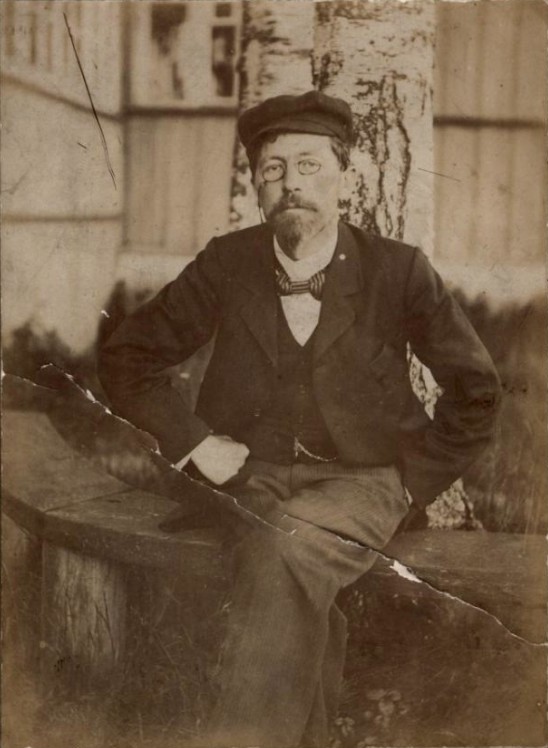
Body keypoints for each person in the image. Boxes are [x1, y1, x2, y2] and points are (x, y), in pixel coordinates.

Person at [98, 90, 501, 748]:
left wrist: (411, 482)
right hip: (247, 475)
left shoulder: (397, 270)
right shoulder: (228, 262)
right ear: (257, 187)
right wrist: (196, 443)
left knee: (284, 548)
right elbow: (126, 357)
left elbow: (478, 390)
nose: (292, 183)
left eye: (310, 165)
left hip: (364, 482)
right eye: (274, 169)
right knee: (282, 561)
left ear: (345, 174)